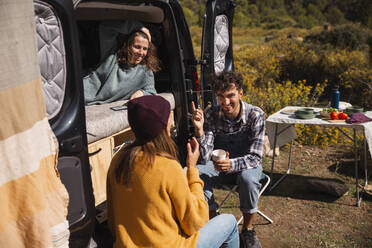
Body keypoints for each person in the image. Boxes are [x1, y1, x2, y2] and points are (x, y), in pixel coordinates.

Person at [106, 95, 239, 248]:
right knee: (229, 222)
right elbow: (195, 222)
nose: (171, 121)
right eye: (169, 117)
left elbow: (112, 220)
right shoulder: (167, 166)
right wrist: (192, 169)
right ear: (162, 126)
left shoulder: (118, 160)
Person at [191, 71, 265, 248]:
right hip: (218, 167)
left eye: (230, 96)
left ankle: (247, 230)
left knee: (248, 178)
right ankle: (215, 223)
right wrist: (200, 131)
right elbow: (205, 157)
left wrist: (231, 164)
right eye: (220, 97)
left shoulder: (256, 114)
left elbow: (255, 157)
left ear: (240, 92)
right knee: (195, 172)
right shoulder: (210, 114)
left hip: (247, 166)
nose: (225, 103)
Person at [83, 21, 160, 105]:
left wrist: (142, 92)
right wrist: (140, 27)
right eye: (137, 47)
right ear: (128, 46)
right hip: (79, 94)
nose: (141, 53)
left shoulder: (145, 71)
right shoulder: (111, 56)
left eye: (145, 49)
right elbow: (106, 28)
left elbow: (152, 92)